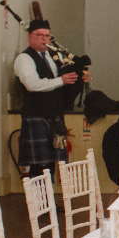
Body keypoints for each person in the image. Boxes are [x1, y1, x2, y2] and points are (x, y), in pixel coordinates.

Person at [15, 19, 89, 178]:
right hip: (36, 115)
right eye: (39, 35)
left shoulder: (54, 56)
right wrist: (61, 80)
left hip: (55, 114)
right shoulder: (24, 59)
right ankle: (38, 202)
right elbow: (32, 84)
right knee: (38, 165)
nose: (43, 39)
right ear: (29, 37)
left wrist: (80, 77)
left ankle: (49, 203)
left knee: (50, 163)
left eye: (47, 36)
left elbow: (66, 83)